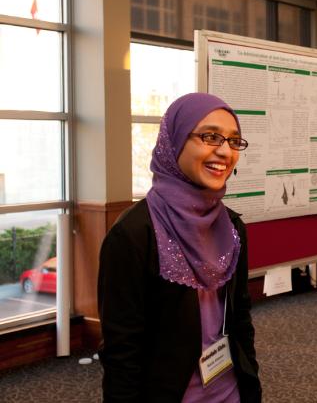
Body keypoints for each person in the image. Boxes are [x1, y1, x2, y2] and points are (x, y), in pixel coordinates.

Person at [98, 93, 261, 402]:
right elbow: (121, 352)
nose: (225, 151)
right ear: (173, 142)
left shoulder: (231, 226)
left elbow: (240, 317)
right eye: (210, 137)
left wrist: (250, 379)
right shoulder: (132, 235)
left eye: (234, 141)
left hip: (230, 392)